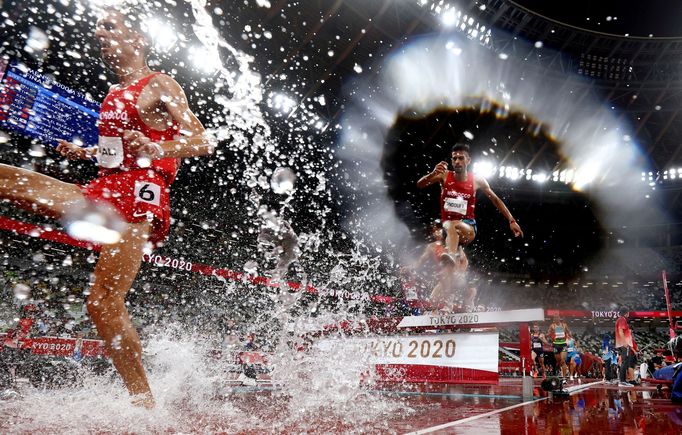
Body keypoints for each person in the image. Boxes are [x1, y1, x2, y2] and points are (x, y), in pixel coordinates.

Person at [0, 8, 215, 407]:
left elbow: (202, 141)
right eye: (98, 26)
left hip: (140, 192)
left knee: (102, 302)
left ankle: (144, 404)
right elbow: (115, 154)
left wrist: (158, 147)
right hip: (104, 186)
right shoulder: (113, 93)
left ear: (139, 39)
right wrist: (86, 152)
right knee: (7, 178)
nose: (100, 32)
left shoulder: (160, 83)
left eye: (110, 26)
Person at [416, 143, 523, 263]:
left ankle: (451, 255)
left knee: (452, 224)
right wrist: (433, 174)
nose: (457, 161)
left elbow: (496, 200)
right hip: (449, 234)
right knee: (448, 272)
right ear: (451, 161)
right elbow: (420, 184)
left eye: (461, 158)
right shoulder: (444, 175)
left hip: (468, 228)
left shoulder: (477, 180)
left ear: (468, 160)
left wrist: (512, 220)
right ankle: (452, 262)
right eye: (454, 158)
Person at [615, 307, 638, 387]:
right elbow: (621, 331)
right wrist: (625, 342)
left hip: (622, 343)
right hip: (624, 344)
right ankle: (622, 381)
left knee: (625, 362)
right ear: (626, 313)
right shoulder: (622, 319)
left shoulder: (620, 319)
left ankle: (623, 380)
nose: (628, 314)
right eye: (628, 312)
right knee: (625, 362)